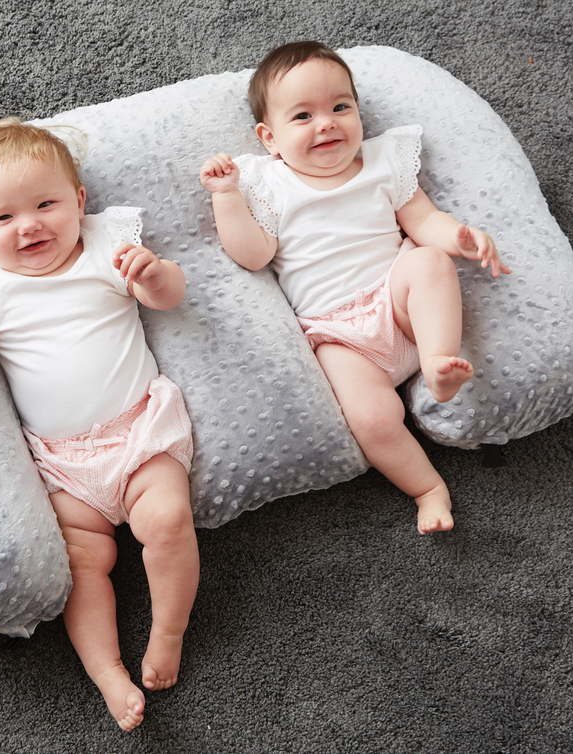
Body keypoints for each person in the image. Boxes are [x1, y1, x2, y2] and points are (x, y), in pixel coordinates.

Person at [0, 117, 198, 731]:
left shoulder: (107, 248)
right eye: (3, 219)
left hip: (139, 433)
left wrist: (153, 276)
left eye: (46, 204)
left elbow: (170, 294)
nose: (30, 226)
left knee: (170, 521)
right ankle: (106, 671)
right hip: (63, 461)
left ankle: (169, 630)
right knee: (82, 561)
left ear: (78, 202)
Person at [200, 41, 510, 535]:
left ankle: (437, 364)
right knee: (371, 418)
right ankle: (427, 489)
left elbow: (423, 220)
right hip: (339, 335)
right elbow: (252, 254)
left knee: (429, 261)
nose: (327, 123)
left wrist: (459, 238)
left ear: (359, 113)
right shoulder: (270, 183)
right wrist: (226, 198)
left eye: (340, 107)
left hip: (396, 297)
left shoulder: (384, 163)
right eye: (303, 116)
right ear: (270, 138)